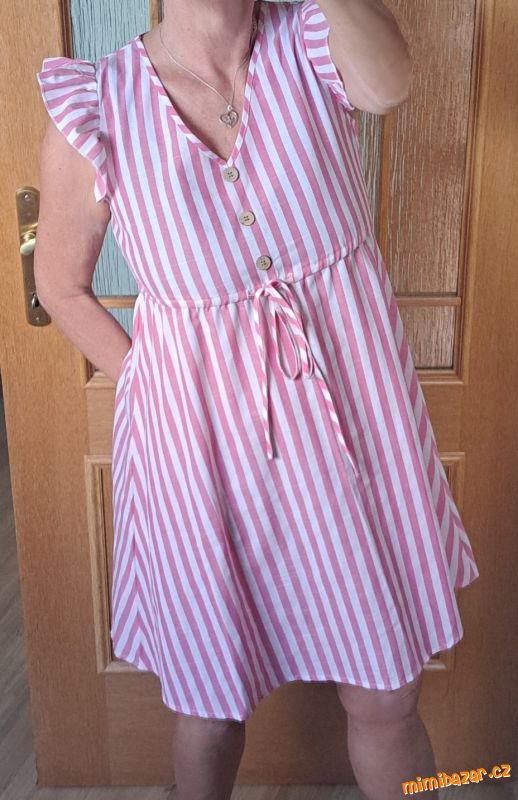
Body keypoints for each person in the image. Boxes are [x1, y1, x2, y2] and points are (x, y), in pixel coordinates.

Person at [34, 1, 479, 798]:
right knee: (212, 706)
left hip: (353, 432)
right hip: (200, 450)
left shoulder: (310, 41)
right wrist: (156, 386)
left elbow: (389, 86)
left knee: (386, 695)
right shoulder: (98, 105)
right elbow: (60, 286)